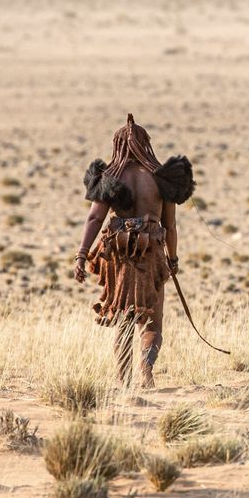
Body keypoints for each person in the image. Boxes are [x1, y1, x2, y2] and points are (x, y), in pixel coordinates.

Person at [73, 114, 194, 388]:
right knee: (153, 322)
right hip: (152, 253)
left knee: (124, 320)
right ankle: (146, 373)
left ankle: (122, 379)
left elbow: (95, 219)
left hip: (119, 255)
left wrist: (81, 254)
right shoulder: (162, 178)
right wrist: (172, 258)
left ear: (117, 145)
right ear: (146, 144)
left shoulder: (110, 177)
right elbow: (170, 226)